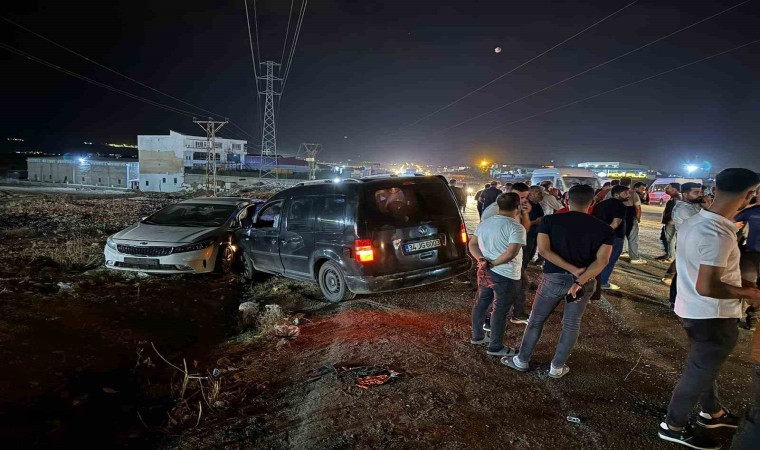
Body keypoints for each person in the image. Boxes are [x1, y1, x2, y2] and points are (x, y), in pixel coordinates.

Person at [658, 168, 760, 450]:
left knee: (704, 369)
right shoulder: (718, 232)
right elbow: (708, 285)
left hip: (692, 308)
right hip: (712, 314)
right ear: (750, 194)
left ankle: (711, 412)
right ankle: (673, 426)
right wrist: (749, 292)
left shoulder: (695, 221)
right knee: (698, 371)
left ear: (715, 187)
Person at [502, 185, 613, 378]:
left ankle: (522, 360)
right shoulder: (604, 229)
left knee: (536, 320)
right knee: (571, 324)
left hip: (554, 279)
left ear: (567, 199)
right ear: (592, 202)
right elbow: (602, 261)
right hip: (583, 283)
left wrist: (571, 269)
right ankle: (557, 367)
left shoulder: (550, 221)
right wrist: (580, 278)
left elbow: (544, 251)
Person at [468, 192, 527, 357]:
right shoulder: (516, 227)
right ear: (518, 207)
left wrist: (481, 260)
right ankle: (495, 347)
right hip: (506, 274)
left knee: (481, 304)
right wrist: (492, 263)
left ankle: (477, 336)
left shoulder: (485, 224)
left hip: (485, 272)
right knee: (500, 311)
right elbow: (511, 253)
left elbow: (472, 243)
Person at [732, 190, 760, 450]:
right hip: (752, 254)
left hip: (752, 253)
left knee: (750, 287)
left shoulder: (751, 210)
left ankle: (751, 316)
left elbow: (734, 222)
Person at [667, 183, 705, 310]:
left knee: (687, 274)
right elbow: (703, 224)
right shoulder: (684, 209)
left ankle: (679, 300)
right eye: (696, 192)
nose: (700, 195)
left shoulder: (694, 205)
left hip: (695, 244)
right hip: (688, 245)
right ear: (685, 194)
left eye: (700, 192)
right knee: (684, 274)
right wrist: (710, 208)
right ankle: (675, 301)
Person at [594, 185, 630, 290]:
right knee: (610, 259)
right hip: (615, 236)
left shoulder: (600, 204)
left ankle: (595, 279)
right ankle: (603, 282)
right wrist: (607, 235)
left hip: (599, 235)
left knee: (598, 258)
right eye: (625, 193)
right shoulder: (620, 206)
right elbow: (615, 223)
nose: (628, 195)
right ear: (616, 194)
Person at [657, 182, 681, 262]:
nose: (666, 188)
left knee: (671, 239)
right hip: (670, 221)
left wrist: (672, 220)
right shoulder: (674, 198)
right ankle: (669, 255)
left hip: (673, 222)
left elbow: (678, 210)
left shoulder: (677, 198)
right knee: (669, 239)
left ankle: (671, 257)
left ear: (674, 189)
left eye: (668, 187)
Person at [523, 186, 545, 269]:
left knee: (531, 253)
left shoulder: (537, 204)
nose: (541, 195)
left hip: (535, 233)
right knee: (525, 254)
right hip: (527, 234)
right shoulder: (526, 204)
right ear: (531, 194)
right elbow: (520, 222)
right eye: (538, 193)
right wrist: (535, 222)